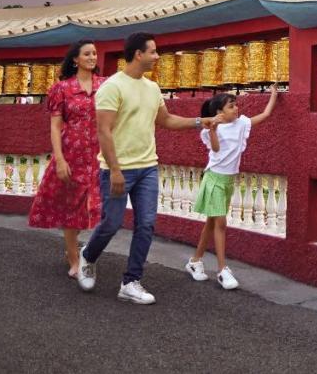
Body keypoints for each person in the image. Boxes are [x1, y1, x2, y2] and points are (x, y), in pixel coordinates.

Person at [77, 32, 217, 304]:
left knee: (146, 225)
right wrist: (115, 170)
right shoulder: (112, 87)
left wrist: (200, 122)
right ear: (138, 54)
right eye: (152, 51)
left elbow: (165, 120)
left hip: (147, 168)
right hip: (117, 169)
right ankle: (88, 255)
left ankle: (131, 282)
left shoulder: (152, 88)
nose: (157, 56)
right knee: (111, 224)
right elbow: (104, 132)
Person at [184, 88, 279, 289]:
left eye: (236, 105)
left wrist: (273, 96)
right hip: (214, 180)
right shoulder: (209, 130)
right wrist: (213, 129)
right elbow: (216, 149)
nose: (236, 109)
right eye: (231, 106)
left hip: (228, 181)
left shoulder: (242, 123)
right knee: (220, 224)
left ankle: (194, 262)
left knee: (211, 222)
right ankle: (222, 270)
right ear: (220, 111)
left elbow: (265, 115)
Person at [27, 40, 102, 277]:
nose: (92, 57)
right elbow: (56, 126)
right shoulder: (62, 88)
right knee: (72, 208)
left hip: (99, 156)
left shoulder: (106, 85)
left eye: (94, 53)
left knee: (97, 208)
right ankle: (73, 257)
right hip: (72, 155)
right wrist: (59, 159)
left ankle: (78, 247)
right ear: (75, 59)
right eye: (87, 54)